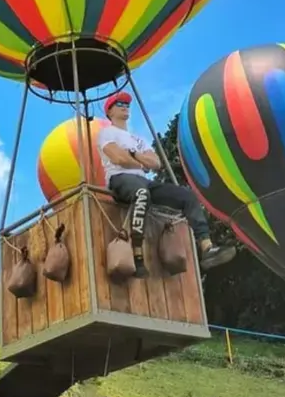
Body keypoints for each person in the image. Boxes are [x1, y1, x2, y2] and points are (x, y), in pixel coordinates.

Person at [97, 91, 236, 277]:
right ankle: (137, 254)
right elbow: (118, 158)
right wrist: (140, 161)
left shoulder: (138, 139)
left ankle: (206, 247)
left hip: (143, 180)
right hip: (120, 178)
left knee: (187, 196)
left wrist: (135, 155)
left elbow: (156, 163)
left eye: (127, 104)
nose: (125, 106)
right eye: (119, 104)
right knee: (141, 193)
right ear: (110, 112)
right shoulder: (106, 132)